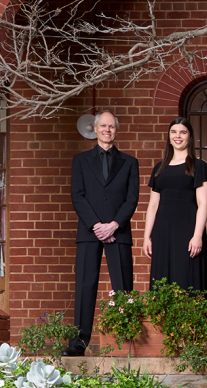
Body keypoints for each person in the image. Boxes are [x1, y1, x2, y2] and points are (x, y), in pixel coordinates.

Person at [64, 110, 140, 356]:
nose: (107, 130)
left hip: (119, 231)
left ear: (116, 130)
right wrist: (97, 225)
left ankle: (126, 342)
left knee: (123, 287)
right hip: (90, 232)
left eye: (112, 126)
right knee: (85, 286)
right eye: (103, 126)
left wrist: (114, 224)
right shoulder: (80, 160)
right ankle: (79, 343)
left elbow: (132, 199)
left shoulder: (130, 162)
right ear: (95, 129)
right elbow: (77, 196)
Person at [142, 117, 207, 294]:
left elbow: (203, 203)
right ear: (169, 136)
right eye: (173, 132)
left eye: (183, 132)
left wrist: (197, 236)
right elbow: (153, 205)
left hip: (188, 231)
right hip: (162, 233)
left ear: (190, 136)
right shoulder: (159, 168)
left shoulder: (199, 166)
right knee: (162, 283)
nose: (177, 136)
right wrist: (146, 237)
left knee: (188, 279)